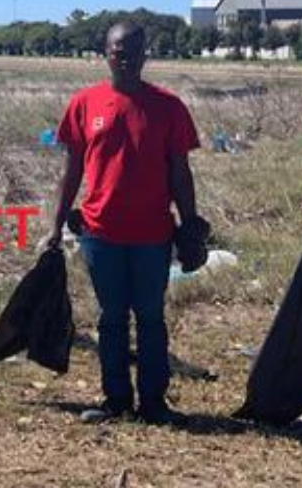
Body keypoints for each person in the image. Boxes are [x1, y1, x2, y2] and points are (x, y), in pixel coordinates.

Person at [48, 21, 205, 424]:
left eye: (134, 51)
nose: (126, 58)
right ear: (105, 53)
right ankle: (116, 400)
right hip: (100, 234)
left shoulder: (169, 107)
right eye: (119, 51)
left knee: (151, 318)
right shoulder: (85, 103)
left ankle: (154, 402)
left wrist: (190, 227)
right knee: (110, 318)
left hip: (153, 234)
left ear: (145, 56)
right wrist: (55, 225)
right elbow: (73, 169)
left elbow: (180, 172)